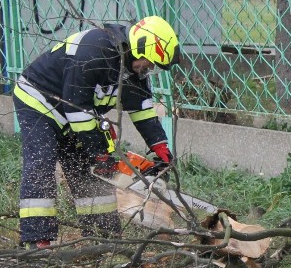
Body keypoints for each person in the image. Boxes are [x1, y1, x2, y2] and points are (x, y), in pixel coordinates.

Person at [13, 16, 180, 249]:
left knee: (88, 171)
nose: (149, 69)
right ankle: (37, 238)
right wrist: (100, 151)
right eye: (149, 63)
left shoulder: (133, 70)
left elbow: (142, 110)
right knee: (41, 161)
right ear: (139, 47)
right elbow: (76, 108)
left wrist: (160, 148)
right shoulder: (94, 51)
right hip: (40, 101)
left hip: (77, 113)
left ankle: (101, 235)